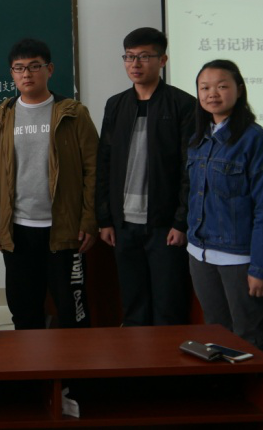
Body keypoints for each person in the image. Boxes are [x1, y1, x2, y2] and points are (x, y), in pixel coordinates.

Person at [0, 38, 99, 330]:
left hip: (64, 230)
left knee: (72, 312)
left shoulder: (74, 113)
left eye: (34, 66)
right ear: (12, 73)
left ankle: (73, 361)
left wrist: (89, 219)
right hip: (18, 230)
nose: (27, 74)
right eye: (19, 68)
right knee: (24, 312)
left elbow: (93, 169)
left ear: (49, 69)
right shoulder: (1, 116)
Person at [96, 27, 195, 326]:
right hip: (124, 224)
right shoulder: (116, 104)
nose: (135, 64)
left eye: (144, 57)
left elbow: (189, 168)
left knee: (168, 306)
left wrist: (181, 221)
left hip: (164, 225)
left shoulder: (183, 104)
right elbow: (104, 162)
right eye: (129, 57)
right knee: (133, 303)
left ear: (162, 60)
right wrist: (105, 218)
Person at [186, 60, 263, 354]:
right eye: (205, 87)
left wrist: (261, 267)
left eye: (222, 86)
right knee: (215, 334)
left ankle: (254, 386)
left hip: (239, 258)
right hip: (199, 253)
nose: (212, 93)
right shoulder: (198, 139)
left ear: (239, 89)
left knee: (249, 337)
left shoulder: (256, 139)